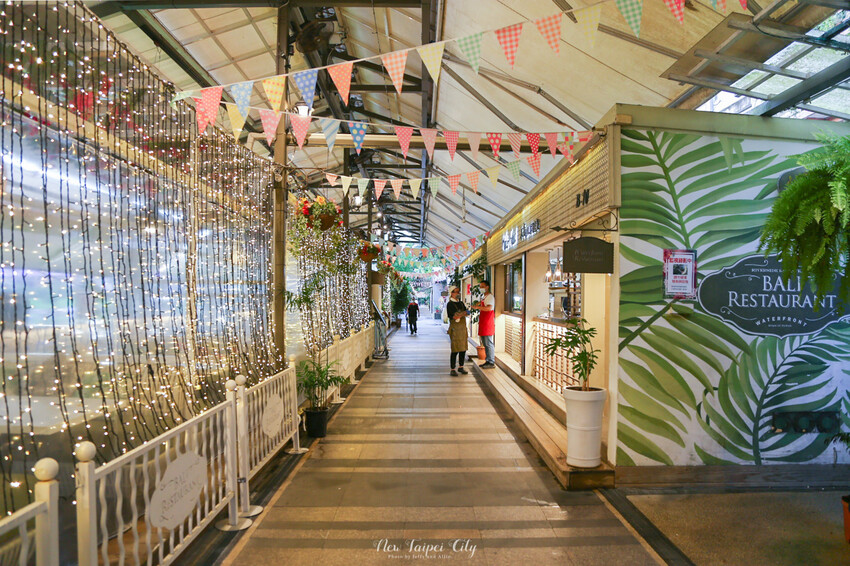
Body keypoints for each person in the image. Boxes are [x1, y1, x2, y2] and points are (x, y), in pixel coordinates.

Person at [471, 279, 495, 368]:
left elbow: (489, 308)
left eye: (482, 286)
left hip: (488, 323)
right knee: (485, 343)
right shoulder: (484, 296)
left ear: (487, 287)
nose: (481, 288)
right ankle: (487, 360)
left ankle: (491, 362)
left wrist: (478, 307)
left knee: (488, 343)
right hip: (484, 322)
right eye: (480, 287)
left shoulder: (490, 297)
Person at [445, 286, 469, 376]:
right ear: (451, 293)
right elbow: (454, 316)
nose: (458, 293)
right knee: (455, 349)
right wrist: (463, 314)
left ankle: (461, 367)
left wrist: (461, 314)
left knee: (463, 348)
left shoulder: (461, 303)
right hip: (455, 329)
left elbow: (467, 312)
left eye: (459, 292)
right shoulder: (450, 304)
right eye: (456, 292)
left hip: (462, 328)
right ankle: (452, 368)